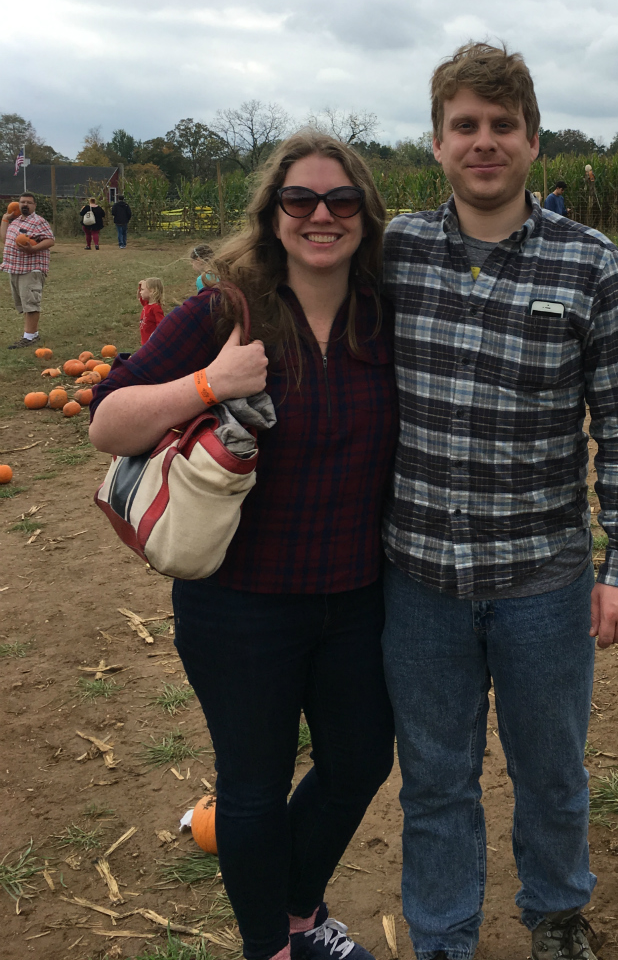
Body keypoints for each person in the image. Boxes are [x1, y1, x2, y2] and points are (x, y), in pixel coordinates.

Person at [381, 43, 618, 960]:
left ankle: (554, 916)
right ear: (437, 144)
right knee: (434, 778)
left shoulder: (590, 263)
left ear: (534, 141)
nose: (485, 141)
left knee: (550, 770)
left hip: (542, 577)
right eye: (466, 125)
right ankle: (443, 938)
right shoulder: (394, 255)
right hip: (418, 577)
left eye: (503, 125)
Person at [89, 131, 398, 960]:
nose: (321, 215)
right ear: (273, 214)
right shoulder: (226, 311)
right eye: (301, 199)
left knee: (360, 761)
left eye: (341, 200)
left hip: (358, 596)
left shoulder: (385, 314)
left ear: (366, 216)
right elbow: (106, 421)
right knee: (254, 786)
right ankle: (273, 945)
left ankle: (299, 912)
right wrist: (209, 383)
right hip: (240, 604)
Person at [2, 193, 56, 349]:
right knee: (24, 303)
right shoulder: (16, 221)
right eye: (22, 202)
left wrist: (33, 249)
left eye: (28, 202)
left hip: (31, 268)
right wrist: (5, 219)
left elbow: (50, 240)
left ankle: (30, 336)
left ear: (34, 206)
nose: (25, 205)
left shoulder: (38, 221)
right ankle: (32, 334)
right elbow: (5, 240)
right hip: (16, 268)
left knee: (31, 302)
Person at [138, 277, 165, 344]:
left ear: (152, 291)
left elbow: (161, 325)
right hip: (145, 342)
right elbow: (139, 297)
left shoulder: (155, 308)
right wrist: (139, 287)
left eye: (142, 289)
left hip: (152, 343)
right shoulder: (146, 304)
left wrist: (155, 336)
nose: (140, 292)